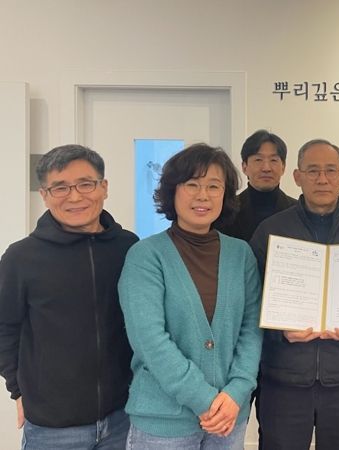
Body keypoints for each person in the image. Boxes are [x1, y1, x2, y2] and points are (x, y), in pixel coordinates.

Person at [249, 138, 339, 450]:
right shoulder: (271, 230)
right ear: (297, 176)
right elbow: (250, 297)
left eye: (330, 170)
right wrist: (279, 331)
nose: (322, 179)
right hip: (284, 377)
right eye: (312, 170)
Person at [118, 143, 263, 449]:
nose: (203, 195)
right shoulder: (146, 256)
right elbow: (149, 339)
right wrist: (205, 400)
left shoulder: (241, 254)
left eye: (214, 186)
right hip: (163, 422)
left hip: (228, 419)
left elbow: (252, 330)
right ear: (172, 191)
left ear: (225, 195)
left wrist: (237, 391)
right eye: (192, 184)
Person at [0, 144, 138, 449]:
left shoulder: (129, 247)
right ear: (44, 195)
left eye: (85, 184)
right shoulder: (21, 258)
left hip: (123, 417)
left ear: (104, 187)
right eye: (60, 187)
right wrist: (18, 390)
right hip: (53, 428)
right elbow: (4, 328)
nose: (75, 197)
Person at [216, 129, 296, 241]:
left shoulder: (297, 210)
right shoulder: (227, 209)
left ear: (283, 167)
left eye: (273, 160)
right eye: (258, 160)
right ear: (244, 167)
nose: (266, 168)